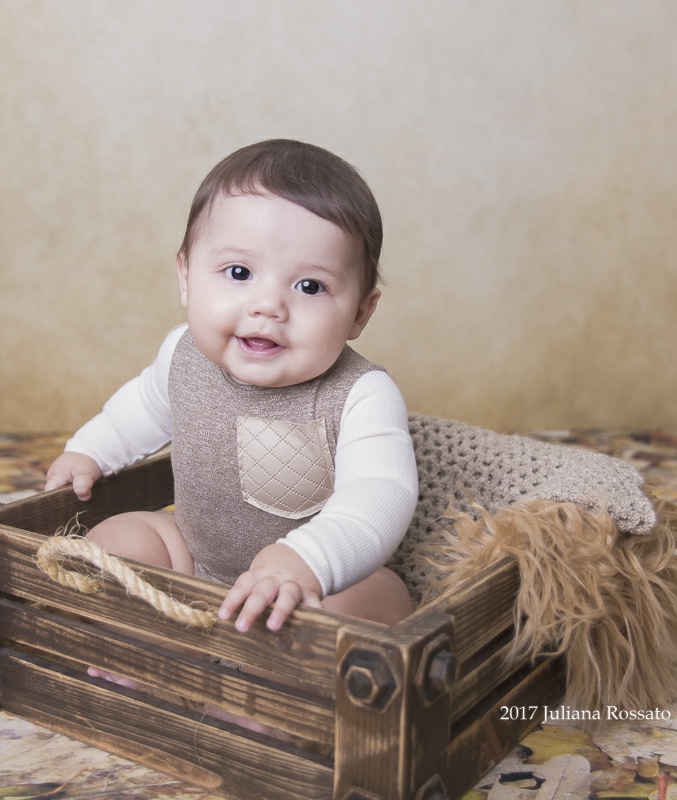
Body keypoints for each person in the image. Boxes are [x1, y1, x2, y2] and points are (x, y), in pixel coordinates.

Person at [45, 139, 417, 635]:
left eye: (310, 286)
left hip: (313, 585)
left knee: (379, 600)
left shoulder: (361, 394)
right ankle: (144, 647)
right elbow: (140, 409)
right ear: (185, 277)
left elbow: (381, 493)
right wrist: (90, 451)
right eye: (238, 272)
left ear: (360, 313)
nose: (268, 305)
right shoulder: (183, 356)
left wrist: (308, 561)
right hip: (194, 560)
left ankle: (273, 690)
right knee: (117, 538)